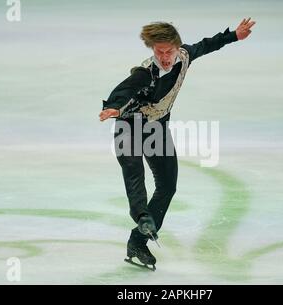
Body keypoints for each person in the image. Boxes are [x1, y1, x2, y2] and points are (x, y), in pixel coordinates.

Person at [99, 18, 255, 270]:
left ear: (176, 46)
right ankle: (142, 217)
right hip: (128, 126)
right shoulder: (145, 72)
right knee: (134, 175)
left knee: (167, 185)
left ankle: (138, 241)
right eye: (158, 51)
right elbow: (124, 89)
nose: (164, 56)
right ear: (152, 50)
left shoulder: (184, 55)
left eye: (168, 50)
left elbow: (207, 45)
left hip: (156, 127)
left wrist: (234, 35)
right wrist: (113, 107)